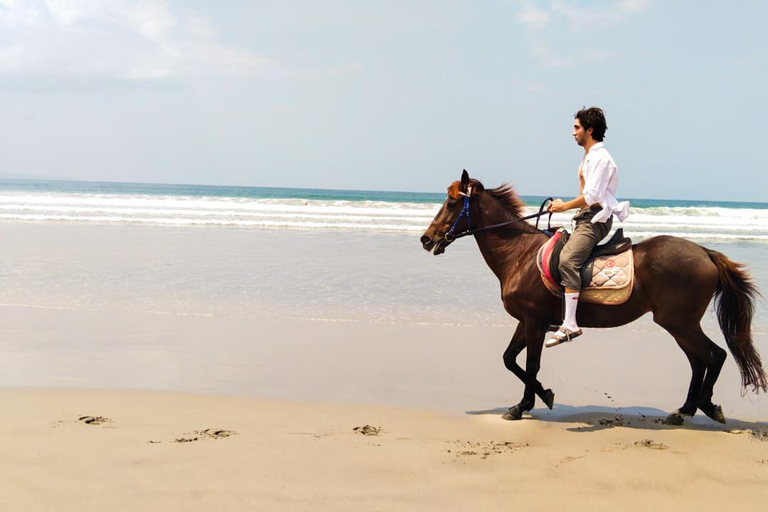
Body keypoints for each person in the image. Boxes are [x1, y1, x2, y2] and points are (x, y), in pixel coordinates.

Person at [544, 107, 629, 348]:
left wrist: (564, 207)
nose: (573, 133)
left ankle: (570, 324)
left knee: (568, 261)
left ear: (589, 130)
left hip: (594, 220)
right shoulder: (589, 155)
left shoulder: (601, 158)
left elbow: (591, 196)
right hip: (585, 216)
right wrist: (562, 207)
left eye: (577, 128)